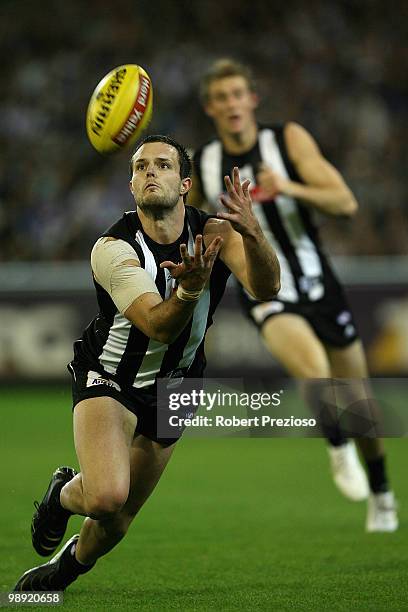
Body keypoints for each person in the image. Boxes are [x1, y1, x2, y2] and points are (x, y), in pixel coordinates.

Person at [13, 135, 281, 592]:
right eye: (140, 167)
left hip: (177, 385)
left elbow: (267, 287)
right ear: (132, 184)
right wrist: (191, 289)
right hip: (111, 376)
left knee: (118, 521)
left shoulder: (215, 233)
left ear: (185, 184)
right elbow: (158, 325)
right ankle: (64, 494)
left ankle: (64, 570)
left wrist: (254, 235)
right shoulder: (113, 248)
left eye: (163, 165)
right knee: (106, 496)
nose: (150, 172)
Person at [192, 58, 398, 532]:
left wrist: (288, 188)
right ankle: (336, 446)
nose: (231, 105)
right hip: (266, 287)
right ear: (210, 107)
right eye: (221, 97)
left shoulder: (286, 140)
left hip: (318, 283)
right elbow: (204, 231)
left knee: (358, 400)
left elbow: (345, 203)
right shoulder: (204, 163)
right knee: (314, 371)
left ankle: (383, 493)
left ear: (252, 99)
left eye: (238, 94)